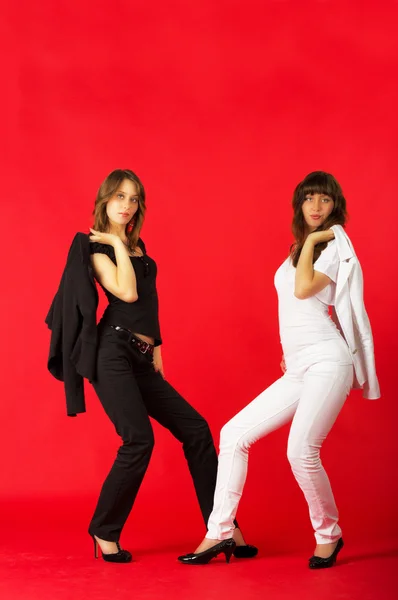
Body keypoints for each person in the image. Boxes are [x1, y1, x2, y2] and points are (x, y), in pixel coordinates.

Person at [46, 169, 257, 563]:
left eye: (134, 198)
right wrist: (112, 241)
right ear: (104, 200)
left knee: (196, 429)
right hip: (112, 353)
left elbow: (148, 303)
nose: (127, 205)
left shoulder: (137, 246)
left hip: (141, 356)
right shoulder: (97, 248)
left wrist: (157, 350)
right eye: (120, 197)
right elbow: (125, 293)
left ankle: (222, 528)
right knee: (139, 441)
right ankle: (103, 530)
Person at [178, 171, 380, 568]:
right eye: (309, 199)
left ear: (335, 205)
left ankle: (329, 534)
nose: (316, 207)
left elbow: (304, 289)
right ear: (299, 205)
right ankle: (219, 533)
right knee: (233, 433)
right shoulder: (300, 248)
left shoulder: (334, 246)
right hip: (301, 364)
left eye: (324, 200)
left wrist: (316, 242)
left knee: (301, 451)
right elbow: (296, 304)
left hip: (328, 359)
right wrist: (291, 349)